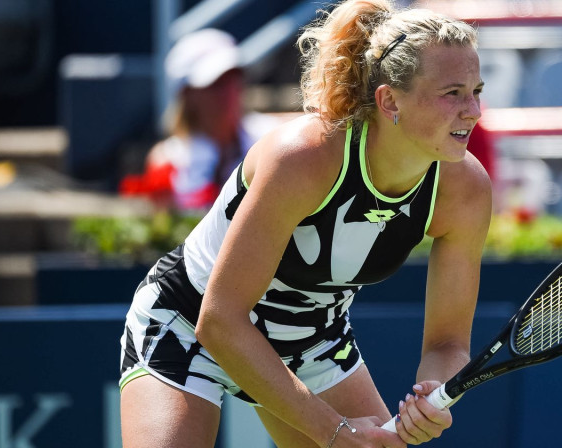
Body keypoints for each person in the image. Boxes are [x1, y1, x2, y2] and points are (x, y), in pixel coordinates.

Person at [118, 0, 491, 446]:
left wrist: (432, 394)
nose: (473, 111)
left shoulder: (465, 191)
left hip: (313, 344)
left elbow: (447, 344)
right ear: (389, 100)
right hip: (189, 322)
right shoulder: (302, 158)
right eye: (452, 93)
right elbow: (219, 322)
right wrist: (333, 431)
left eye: (477, 90)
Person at [120, 28, 279, 210]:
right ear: (187, 94)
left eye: (234, 78)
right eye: (215, 84)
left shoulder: (274, 139)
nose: (229, 92)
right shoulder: (166, 161)